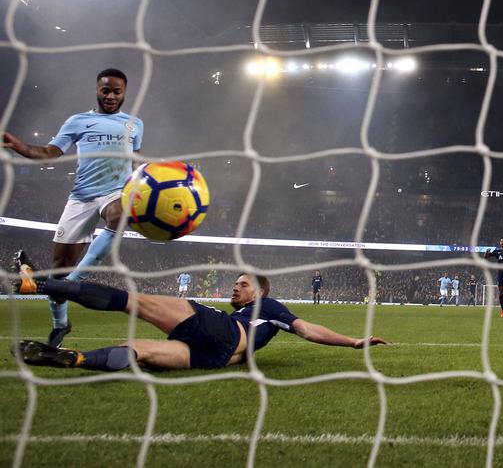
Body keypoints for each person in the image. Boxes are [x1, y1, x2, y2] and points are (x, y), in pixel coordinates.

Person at [11, 252, 385, 371]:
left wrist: (352, 342)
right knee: (138, 351)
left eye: (243, 283)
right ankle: (74, 359)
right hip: (217, 356)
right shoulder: (257, 321)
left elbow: (308, 329)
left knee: (133, 301)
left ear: (260, 289)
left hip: (217, 331)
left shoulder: (267, 306)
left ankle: (35, 284)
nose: (237, 287)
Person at [2, 69, 144, 348]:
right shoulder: (78, 121)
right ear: (97, 90)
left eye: (117, 91)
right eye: (106, 90)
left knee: (119, 215)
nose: (112, 96)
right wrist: (18, 145)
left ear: (125, 92)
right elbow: (48, 153)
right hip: (81, 198)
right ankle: (61, 324)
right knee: (58, 272)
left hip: (115, 192)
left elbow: (135, 162)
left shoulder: (135, 124)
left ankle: (75, 280)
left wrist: (145, 187)